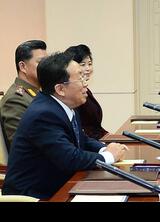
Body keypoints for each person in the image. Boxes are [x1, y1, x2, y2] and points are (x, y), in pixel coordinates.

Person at [2, 52, 128, 199]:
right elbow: (70, 158)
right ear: (60, 89)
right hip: (35, 195)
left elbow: (82, 139)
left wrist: (104, 148)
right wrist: (108, 157)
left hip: (59, 184)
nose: (85, 82)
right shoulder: (43, 114)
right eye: (80, 78)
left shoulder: (63, 104)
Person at [0, 40, 47, 150]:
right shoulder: (15, 100)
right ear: (23, 66)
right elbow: (22, 147)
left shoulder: (38, 94)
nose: (47, 67)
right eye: (41, 62)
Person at [65, 45, 108, 140]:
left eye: (89, 63)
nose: (88, 68)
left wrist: (110, 137)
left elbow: (94, 126)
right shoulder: (72, 93)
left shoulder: (85, 89)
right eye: (83, 65)